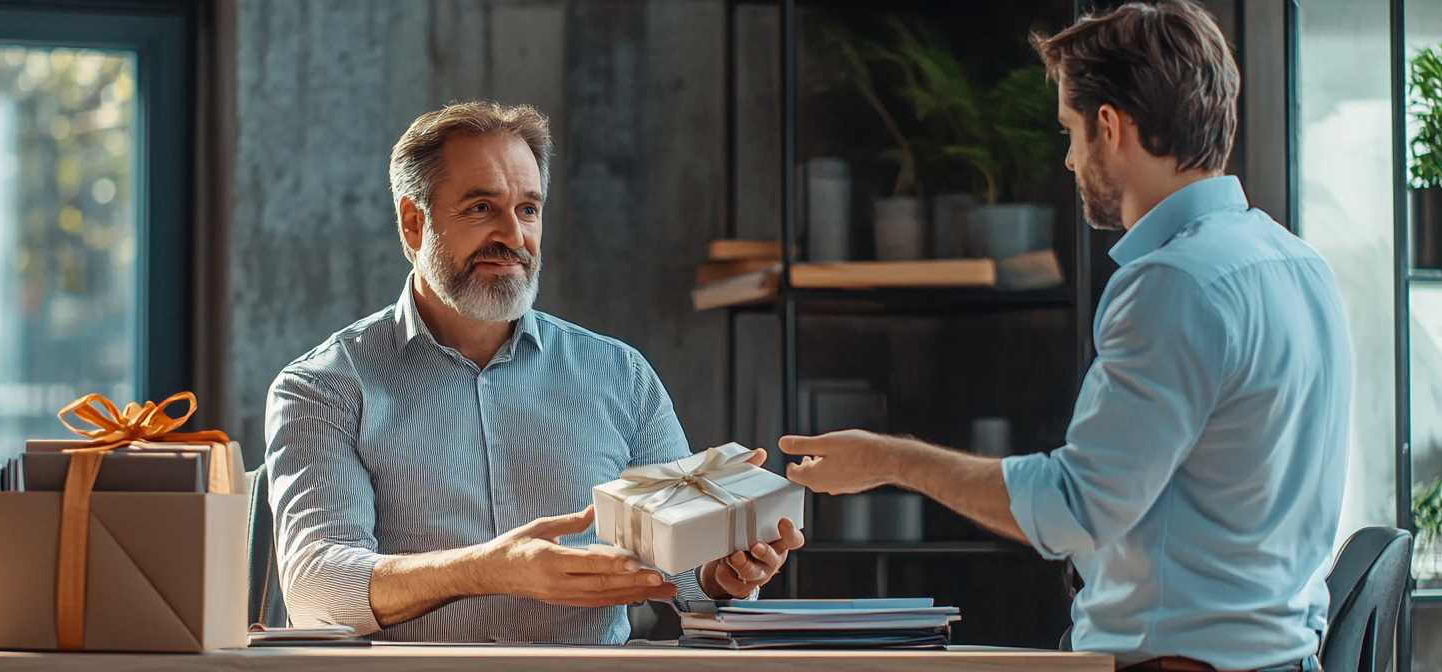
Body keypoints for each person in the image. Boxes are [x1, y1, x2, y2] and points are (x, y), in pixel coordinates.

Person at [779, 3, 1351, 671]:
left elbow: (1074, 510)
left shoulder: (1173, 283)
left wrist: (889, 460)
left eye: (1071, 131)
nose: (1070, 160)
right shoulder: (1302, 266)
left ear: (1111, 127)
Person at [265, 101, 802, 643]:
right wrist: (488, 568)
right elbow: (316, 590)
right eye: (481, 208)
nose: (513, 236)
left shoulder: (619, 375)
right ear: (413, 222)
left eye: (528, 209)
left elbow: (691, 575)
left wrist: (725, 571)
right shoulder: (324, 387)